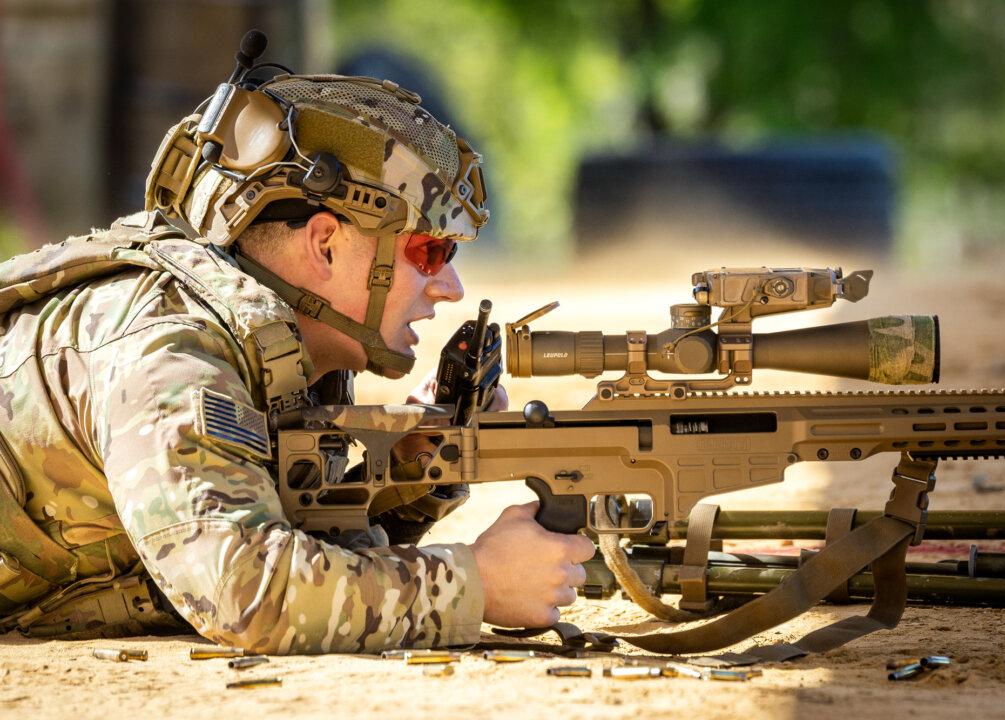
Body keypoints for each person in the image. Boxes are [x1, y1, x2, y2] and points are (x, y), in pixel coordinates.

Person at [0, 64, 594, 652]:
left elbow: (312, 545)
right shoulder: (172, 355)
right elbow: (245, 591)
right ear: (324, 245)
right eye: (428, 252)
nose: (450, 288)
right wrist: (475, 584)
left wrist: (418, 470)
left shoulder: (287, 351)